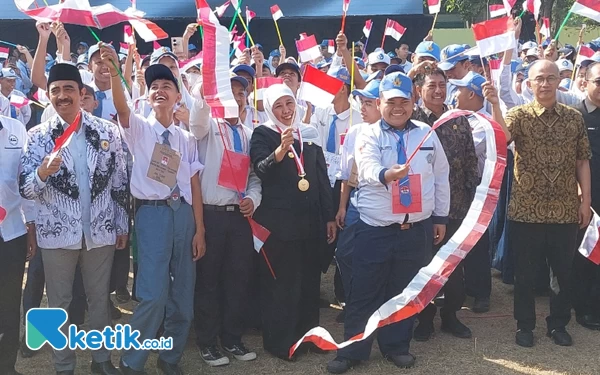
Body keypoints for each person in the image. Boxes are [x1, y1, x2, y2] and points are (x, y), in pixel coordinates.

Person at [326, 72, 450, 374]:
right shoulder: (367, 133)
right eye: (390, 102)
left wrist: (440, 218)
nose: (398, 108)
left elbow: (441, 176)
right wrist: (386, 175)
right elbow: (367, 167)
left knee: (403, 291)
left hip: (415, 230)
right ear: (379, 103)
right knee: (364, 291)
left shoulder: (426, 133)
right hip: (375, 230)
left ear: (413, 100)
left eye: (404, 101)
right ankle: (353, 349)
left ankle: (396, 346)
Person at [19, 63, 129, 375]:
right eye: (56, 90)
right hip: (56, 235)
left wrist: (121, 224)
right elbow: (25, 188)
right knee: (59, 304)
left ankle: (102, 361)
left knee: (99, 299)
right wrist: (41, 173)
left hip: (101, 232)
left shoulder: (106, 131)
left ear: (82, 93)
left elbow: (119, 181)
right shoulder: (38, 136)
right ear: (48, 95)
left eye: (69, 89)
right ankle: (63, 365)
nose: (63, 96)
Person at [107, 47, 206, 374]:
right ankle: (132, 362)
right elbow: (121, 107)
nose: (160, 90)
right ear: (148, 97)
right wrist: (115, 70)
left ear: (179, 96)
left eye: (167, 86)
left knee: (183, 296)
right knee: (152, 295)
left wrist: (199, 230)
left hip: (184, 218)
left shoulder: (186, 138)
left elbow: (194, 184)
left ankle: (170, 358)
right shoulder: (139, 128)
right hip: (152, 216)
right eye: (154, 87)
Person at [502, 60, 592, 348]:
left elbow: (582, 160)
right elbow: (501, 139)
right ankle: (524, 326)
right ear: (529, 84)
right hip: (526, 209)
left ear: (559, 82)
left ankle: (558, 324)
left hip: (565, 209)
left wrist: (585, 200)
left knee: (562, 274)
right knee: (525, 273)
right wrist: (493, 104)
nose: (544, 84)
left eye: (550, 78)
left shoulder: (573, 117)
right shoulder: (518, 115)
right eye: (539, 79)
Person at [249, 84, 336, 361]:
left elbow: (321, 178)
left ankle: (308, 337)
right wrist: (279, 151)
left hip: (310, 222)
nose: (286, 111)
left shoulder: (308, 133)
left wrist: (329, 216)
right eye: (279, 106)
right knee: (282, 284)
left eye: (289, 104)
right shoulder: (262, 133)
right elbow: (260, 170)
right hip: (279, 225)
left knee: (309, 282)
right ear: (269, 109)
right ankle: (281, 343)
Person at [189, 75, 262, 366]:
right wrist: (205, 92)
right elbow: (196, 122)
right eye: (229, 93)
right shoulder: (208, 128)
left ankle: (232, 338)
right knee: (209, 282)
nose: (236, 98)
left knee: (237, 279)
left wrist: (253, 200)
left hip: (240, 218)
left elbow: (255, 176)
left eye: (241, 93)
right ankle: (208, 342)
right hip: (211, 217)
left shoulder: (250, 133)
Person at [411, 68, 479, 340]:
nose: (438, 90)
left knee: (454, 267)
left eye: (442, 85)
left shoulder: (458, 120)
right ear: (419, 90)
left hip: (457, 208)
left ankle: (450, 316)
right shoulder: (412, 121)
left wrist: (471, 200)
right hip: (423, 209)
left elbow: (471, 161)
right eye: (432, 86)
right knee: (424, 266)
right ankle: (424, 318)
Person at [334, 79, 382, 316]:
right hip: (357, 200)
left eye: (368, 103)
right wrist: (342, 207)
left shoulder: (394, 133)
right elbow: (345, 173)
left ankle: (376, 304)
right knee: (344, 253)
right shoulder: (354, 131)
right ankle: (353, 301)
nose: (362, 108)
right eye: (361, 102)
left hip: (384, 204)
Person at [448, 71, 493, 312]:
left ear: (472, 94)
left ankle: (480, 292)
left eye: (459, 90)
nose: (454, 94)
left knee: (476, 241)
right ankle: (462, 288)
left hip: (478, 189)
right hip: (457, 188)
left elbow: (466, 151)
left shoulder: (483, 123)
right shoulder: (459, 116)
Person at [0, 113, 36, 375]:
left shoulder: (16, 129)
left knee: (10, 303)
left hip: (11, 232)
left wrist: (31, 227)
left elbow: (26, 181)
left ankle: (6, 365)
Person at [572, 61, 600, 330]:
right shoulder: (575, 116)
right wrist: (584, 198)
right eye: (598, 82)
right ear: (586, 82)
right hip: (587, 200)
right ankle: (583, 308)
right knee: (585, 255)